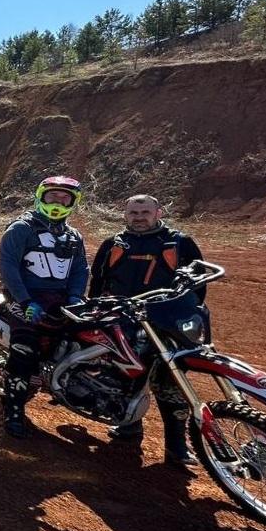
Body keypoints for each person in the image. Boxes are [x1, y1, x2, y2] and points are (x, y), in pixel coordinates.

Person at [90, 193, 203, 466]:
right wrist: (96, 310)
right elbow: (98, 280)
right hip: (123, 321)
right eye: (133, 213)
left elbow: (197, 286)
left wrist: (187, 315)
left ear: (158, 213)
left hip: (165, 324)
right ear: (125, 215)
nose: (139, 218)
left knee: (170, 383)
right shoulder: (113, 244)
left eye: (145, 213)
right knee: (125, 375)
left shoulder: (179, 242)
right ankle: (128, 426)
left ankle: (177, 446)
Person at [0, 176, 89, 438]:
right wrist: (25, 300)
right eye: (52, 196)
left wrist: (76, 296)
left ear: (73, 202)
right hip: (24, 299)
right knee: (25, 350)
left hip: (61, 300)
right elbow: (8, 267)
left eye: (64, 198)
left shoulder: (74, 236)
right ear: (40, 197)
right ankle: (13, 411)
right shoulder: (21, 228)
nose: (58, 202)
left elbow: (80, 269)